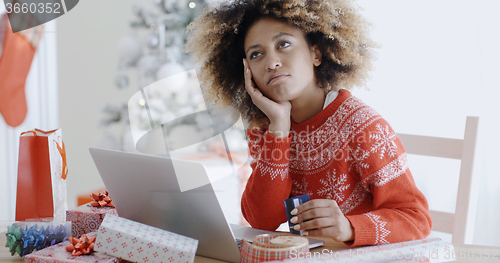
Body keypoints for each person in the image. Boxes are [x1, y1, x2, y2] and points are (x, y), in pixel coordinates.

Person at [186, 0, 432, 246]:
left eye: (283, 44)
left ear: (315, 53)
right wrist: (279, 129)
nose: (271, 63)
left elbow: (416, 218)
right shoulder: (265, 128)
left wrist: (349, 228)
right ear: (247, 71)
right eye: (256, 54)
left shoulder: (363, 126)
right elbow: (262, 220)